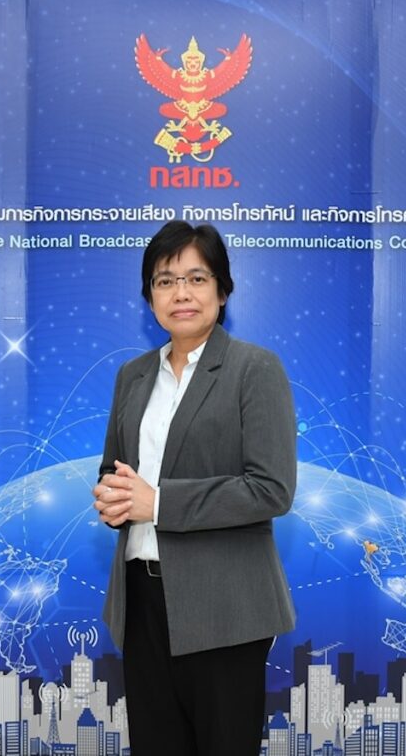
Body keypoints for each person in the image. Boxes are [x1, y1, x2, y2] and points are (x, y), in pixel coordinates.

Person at [92, 220, 297, 756]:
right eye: (165, 281)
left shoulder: (254, 368)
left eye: (196, 278)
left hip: (224, 607)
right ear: (149, 298)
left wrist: (158, 503)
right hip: (141, 602)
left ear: (222, 292)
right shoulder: (133, 375)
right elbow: (114, 470)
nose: (180, 293)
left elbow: (271, 489)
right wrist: (112, 499)